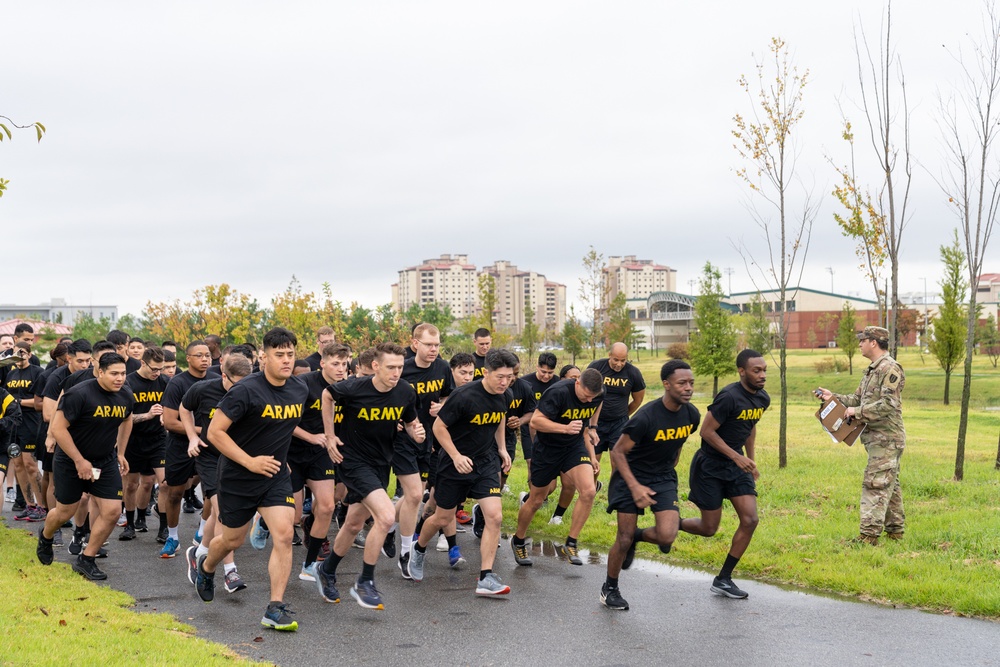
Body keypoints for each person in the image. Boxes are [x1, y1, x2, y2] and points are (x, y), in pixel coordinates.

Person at [193, 328, 308, 631]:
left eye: (290, 354)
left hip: (274, 476)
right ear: (263, 356)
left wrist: (281, 461)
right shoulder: (245, 390)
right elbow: (214, 432)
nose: (286, 360)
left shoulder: (299, 389)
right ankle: (205, 565)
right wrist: (249, 461)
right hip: (238, 477)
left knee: (284, 533)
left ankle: (275, 607)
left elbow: (282, 428)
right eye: (279, 355)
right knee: (233, 539)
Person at [314, 342, 424, 610]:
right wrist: (330, 436)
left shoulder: (405, 392)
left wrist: (415, 432)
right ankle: (364, 581)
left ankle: (326, 570)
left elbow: (410, 421)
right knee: (386, 516)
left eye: (400, 367)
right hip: (352, 461)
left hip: (380, 464)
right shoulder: (355, 388)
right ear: (375, 366)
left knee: (353, 523)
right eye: (391, 367)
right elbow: (327, 396)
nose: (396, 372)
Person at [408, 348, 516, 596]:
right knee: (442, 518)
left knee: (495, 516)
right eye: (499, 376)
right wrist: (456, 456)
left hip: (485, 461)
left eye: (509, 376)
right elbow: (439, 426)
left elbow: (500, 417)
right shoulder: (464, 395)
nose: (504, 381)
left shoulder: (505, 394)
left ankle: (486, 577)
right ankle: (420, 548)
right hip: (454, 462)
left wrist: (501, 448)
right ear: (485, 372)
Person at [602, 360, 699, 610]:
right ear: (666, 384)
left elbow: (676, 444)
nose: (688, 388)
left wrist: (667, 474)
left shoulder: (692, 415)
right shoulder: (646, 416)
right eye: (682, 383)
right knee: (622, 539)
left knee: (667, 534)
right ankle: (609, 588)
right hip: (629, 476)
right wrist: (634, 487)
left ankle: (638, 536)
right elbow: (617, 452)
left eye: (691, 383)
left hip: (663, 477)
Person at [678, 349, 769, 599]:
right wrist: (737, 456)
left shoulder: (763, 399)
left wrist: (750, 460)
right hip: (710, 465)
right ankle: (670, 525)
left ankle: (724, 578)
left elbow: (749, 428)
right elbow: (706, 432)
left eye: (764, 370)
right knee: (709, 529)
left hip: (736, 466)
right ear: (742, 371)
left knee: (750, 520)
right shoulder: (728, 397)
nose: (762, 375)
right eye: (756, 370)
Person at [36, 353, 134, 581]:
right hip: (70, 460)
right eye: (114, 374)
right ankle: (46, 535)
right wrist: (80, 460)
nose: (120, 378)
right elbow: (58, 429)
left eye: (123, 374)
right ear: (100, 372)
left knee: (112, 511)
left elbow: (127, 418)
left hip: (105, 460)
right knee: (65, 511)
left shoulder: (125, 395)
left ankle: (86, 559)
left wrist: (120, 452)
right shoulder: (79, 394)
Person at [817, 325, 906, 546]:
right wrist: (832, 397)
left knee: (875, 484)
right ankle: (895, 533)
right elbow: (857, 399)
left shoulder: (890, 369)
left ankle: (868, 537)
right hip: (876, 438)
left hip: (887, 439)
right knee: (889, 483)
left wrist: (856, 412)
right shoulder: (872, 370)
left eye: (862, 340)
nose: (859, 344)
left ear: (873, 342)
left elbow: (888, 404)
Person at [511, 368, 604, 567]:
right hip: (548, 449)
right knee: (536, 500)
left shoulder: (597, 396)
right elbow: (535, 421)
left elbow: (591, 415)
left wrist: (591, 436)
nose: (589, 401)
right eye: (586, 396)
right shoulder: (558, 392)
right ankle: (518, 540)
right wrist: (565, 428)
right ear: (577, 383)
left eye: (592, 397)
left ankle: (571, 542)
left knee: (588, 491)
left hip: (573, 447)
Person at [181, 353, 253, 594]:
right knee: (224, 511)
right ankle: (229, 570)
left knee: (219, 513)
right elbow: (184, 408)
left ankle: (200, 552)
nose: (242, 389)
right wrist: (192, 436)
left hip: (238, 457)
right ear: (223, 375)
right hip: (210, 457)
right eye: (237, 383)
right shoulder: (202, 389)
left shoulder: (254, 390)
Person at [390, 323, 454, 570]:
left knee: (412, 497)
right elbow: (384, 395)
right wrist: (394, 419)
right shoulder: (401, 369)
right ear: (415, 343)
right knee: (416, 495)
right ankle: (406, 554)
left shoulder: (443, 367)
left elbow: (447, 396)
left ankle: (386, 524)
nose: (434, 350)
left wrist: (442, 407)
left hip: (427, 439)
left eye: (437, 345)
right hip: (402, 438)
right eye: (428, 345)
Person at [290, 343, 350, 581]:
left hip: (321, 453)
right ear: (322, 363)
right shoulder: (303, 384)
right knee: (293, 518)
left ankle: (309, 565)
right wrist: (311, 436)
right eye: (335, 363)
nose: (340, 369)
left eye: (344, 364)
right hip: (293, 452)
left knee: (326, 506)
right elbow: (285, 421)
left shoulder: (347, 387)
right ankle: (264, 522)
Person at [158, 340, 212, 556]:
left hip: (210, 445)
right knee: (175, 493)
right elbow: (170, 422)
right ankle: (172, 537)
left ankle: (201, 531)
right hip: (180, 445)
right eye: (199, 355)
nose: (205, 359)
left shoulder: (217, 381)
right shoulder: (177, 383)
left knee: (212, 492)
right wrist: (200, 431)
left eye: (207, 355)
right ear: (188, 359)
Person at [121, 346, 169, 540]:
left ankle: (164, 527)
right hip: (133, 439)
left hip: (158, 439)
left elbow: (174, 407)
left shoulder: (165, 382)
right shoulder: (129, 382)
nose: (157, 373)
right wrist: (148, 415)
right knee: (132, 485)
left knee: (162, 484)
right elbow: (123, 418)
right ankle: (131, 524)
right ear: (143, 363)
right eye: (154, 369)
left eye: (161, 369)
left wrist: (168, 416)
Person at [588, 343, 646, 479]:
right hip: (596, 423)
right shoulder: (597, 367)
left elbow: (638, 399)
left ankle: (614, 496)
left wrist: (623, 415)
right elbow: (585, 391)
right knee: (592, 463)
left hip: (619, 424)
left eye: (623, 360)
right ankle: (591, 490)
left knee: (618, 462)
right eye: (615, 360)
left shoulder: (633, 373)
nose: (619, 364)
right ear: (609, 355)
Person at [6, 342, 47, 522]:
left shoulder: (38, 372)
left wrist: (20, 402)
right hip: (14, 424)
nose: (19, 356)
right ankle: (29, 505)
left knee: (31, 465)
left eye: (22, 353)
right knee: (18, 464)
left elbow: (42, 401)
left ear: (29, 355)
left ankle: (42, 505)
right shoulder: (10, 374)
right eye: (16, 353)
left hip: (31, 422)